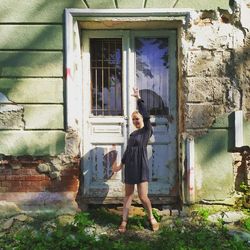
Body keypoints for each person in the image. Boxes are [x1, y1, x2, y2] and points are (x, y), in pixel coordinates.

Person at [112, 87, 159, 233]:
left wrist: (138, 99)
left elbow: (146, 116)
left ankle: (151, 218)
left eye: (137, 119)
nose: (135, 121)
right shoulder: (133, 135)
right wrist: (120, 165)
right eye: (133, 119)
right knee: (128, 195)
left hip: (142, 167)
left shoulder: (146, 131)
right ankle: (124, 221)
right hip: (131, 168)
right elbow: (127, 151)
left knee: (143, 196)